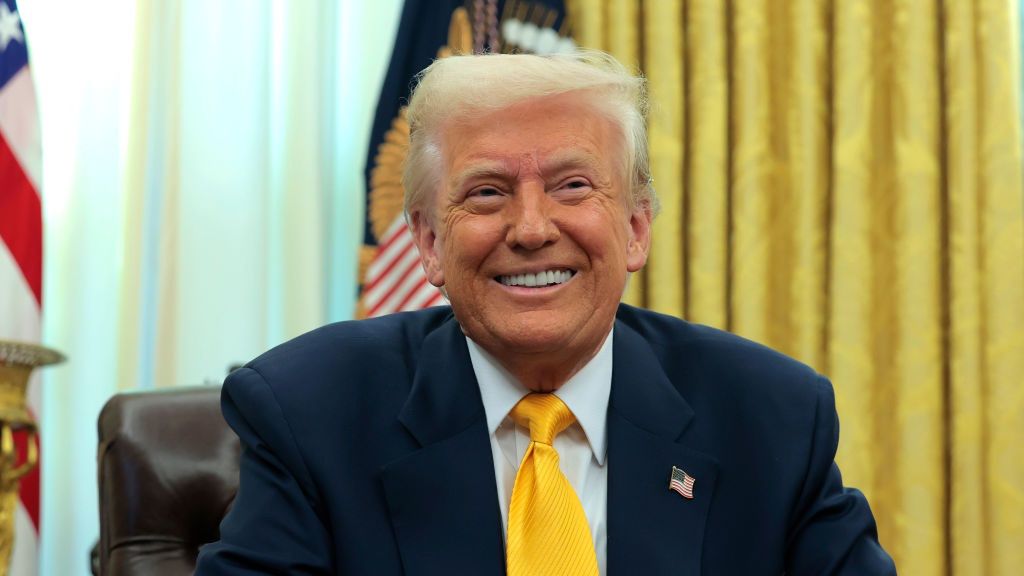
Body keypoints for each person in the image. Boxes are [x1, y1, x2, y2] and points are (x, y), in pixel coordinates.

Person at [195, 50, 896, 575]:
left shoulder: (770, 418)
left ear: (636, 229)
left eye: (572, 185)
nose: (531, 228)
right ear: (429, 245)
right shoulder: (309, 414)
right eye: (488, 193)